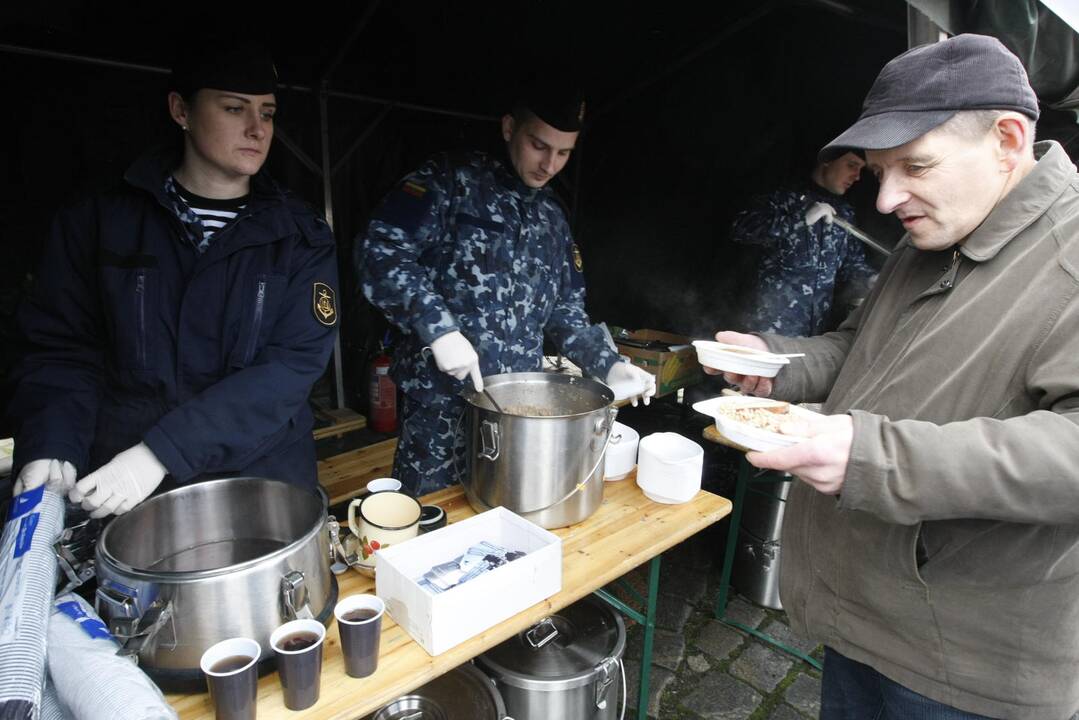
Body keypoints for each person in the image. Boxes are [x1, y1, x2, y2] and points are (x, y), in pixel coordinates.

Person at [711, 34, 1079, 719]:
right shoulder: (930, 234)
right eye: (880, 172)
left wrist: (871, 456)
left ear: (1005, 139)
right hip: (860, 615)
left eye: (915, 165)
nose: (886, 200)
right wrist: (775, 367)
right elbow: (864, 346)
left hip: (961, 670)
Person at [5, 37, 339, 518]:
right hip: (123, 486)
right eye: (233, 108)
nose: (256, 129)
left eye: (266, 113)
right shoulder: (102, 220)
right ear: (181, 110)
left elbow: (290, 368)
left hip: (260, 480)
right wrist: (52, 442)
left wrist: (162, 452)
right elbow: (60, 347)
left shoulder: (300, 234)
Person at [360, 87, 655, 496]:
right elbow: (381, 250)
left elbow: (565, 311)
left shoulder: (553, 218)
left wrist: (607, 364)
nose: (550, 164)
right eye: (539, 145)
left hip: (517, 413)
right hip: (442, 408)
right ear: (509, 127)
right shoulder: (451, 181)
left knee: (502, 527)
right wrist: (439, 329)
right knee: (427, 523)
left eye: (564, 153)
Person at [731, 151, 876, 336]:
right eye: (851, 165)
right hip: (769, 330)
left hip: (815, 334)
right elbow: (741, 229)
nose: (856, 176)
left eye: (861, 169)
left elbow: (851, 265)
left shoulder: (844, 213)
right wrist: (801, 220)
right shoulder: (782, 198)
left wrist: (872, 279)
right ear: (827, 161)